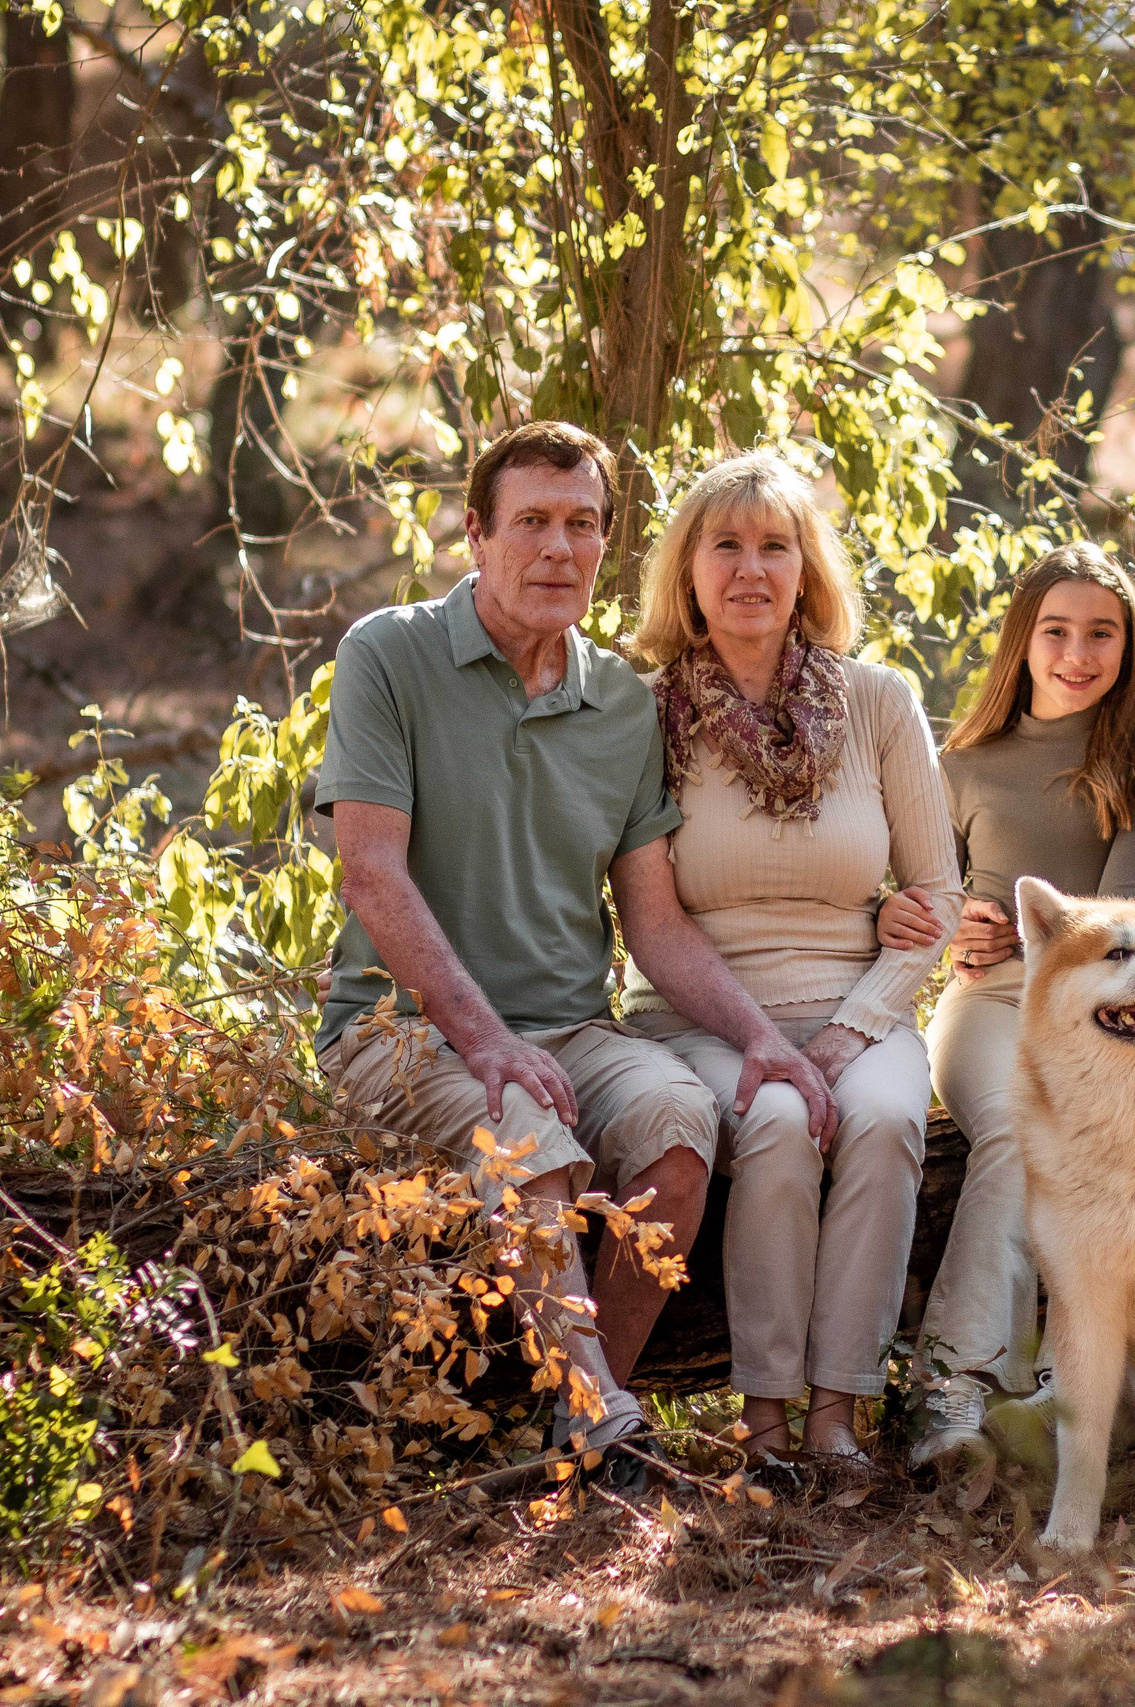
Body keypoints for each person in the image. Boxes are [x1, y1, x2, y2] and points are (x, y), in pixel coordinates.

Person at [314, 421, 835, 1482]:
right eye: (533, 523)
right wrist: (490, 1043)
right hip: (401, 1031)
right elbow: (370, 873)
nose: (558, 549)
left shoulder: (622, 708)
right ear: (474, 535)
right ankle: (599, 1412)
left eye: (582, 526)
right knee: (526, 1130)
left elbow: (652, 923)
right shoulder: (388, 654)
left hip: (569, 1029)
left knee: (681, 1127)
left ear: (607, 543)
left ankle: (585, 1416)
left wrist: (760, 1038)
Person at [622, 451, 962, 1466]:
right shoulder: (639, 716)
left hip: (858, 1003)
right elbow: (641, 914)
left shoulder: (878, 703)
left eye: (776, 546)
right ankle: (763, 1417)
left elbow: (939, 892)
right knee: (772, 1122)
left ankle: (838, 1411)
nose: (750, 570)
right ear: (686, 572)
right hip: (702, 1017)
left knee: (890, 1118)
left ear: (809, 572)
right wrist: (767, 1043)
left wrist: (856, 1026)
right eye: (723, 545)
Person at [873, 542, 1135, 1471]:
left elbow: (1131, 916)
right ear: (1023, 638)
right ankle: (952, 1387)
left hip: (1109, 1011)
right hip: (990, 1007)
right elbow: (916, 892)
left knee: (1089, 1134)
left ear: (1129, 648)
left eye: (1102, 634)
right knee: (1015, 1127)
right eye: (1057, 631)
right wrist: (952, 919)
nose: (1077, 654)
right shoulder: (963, 759)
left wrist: (1025, 928)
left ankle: (1064, 1387)